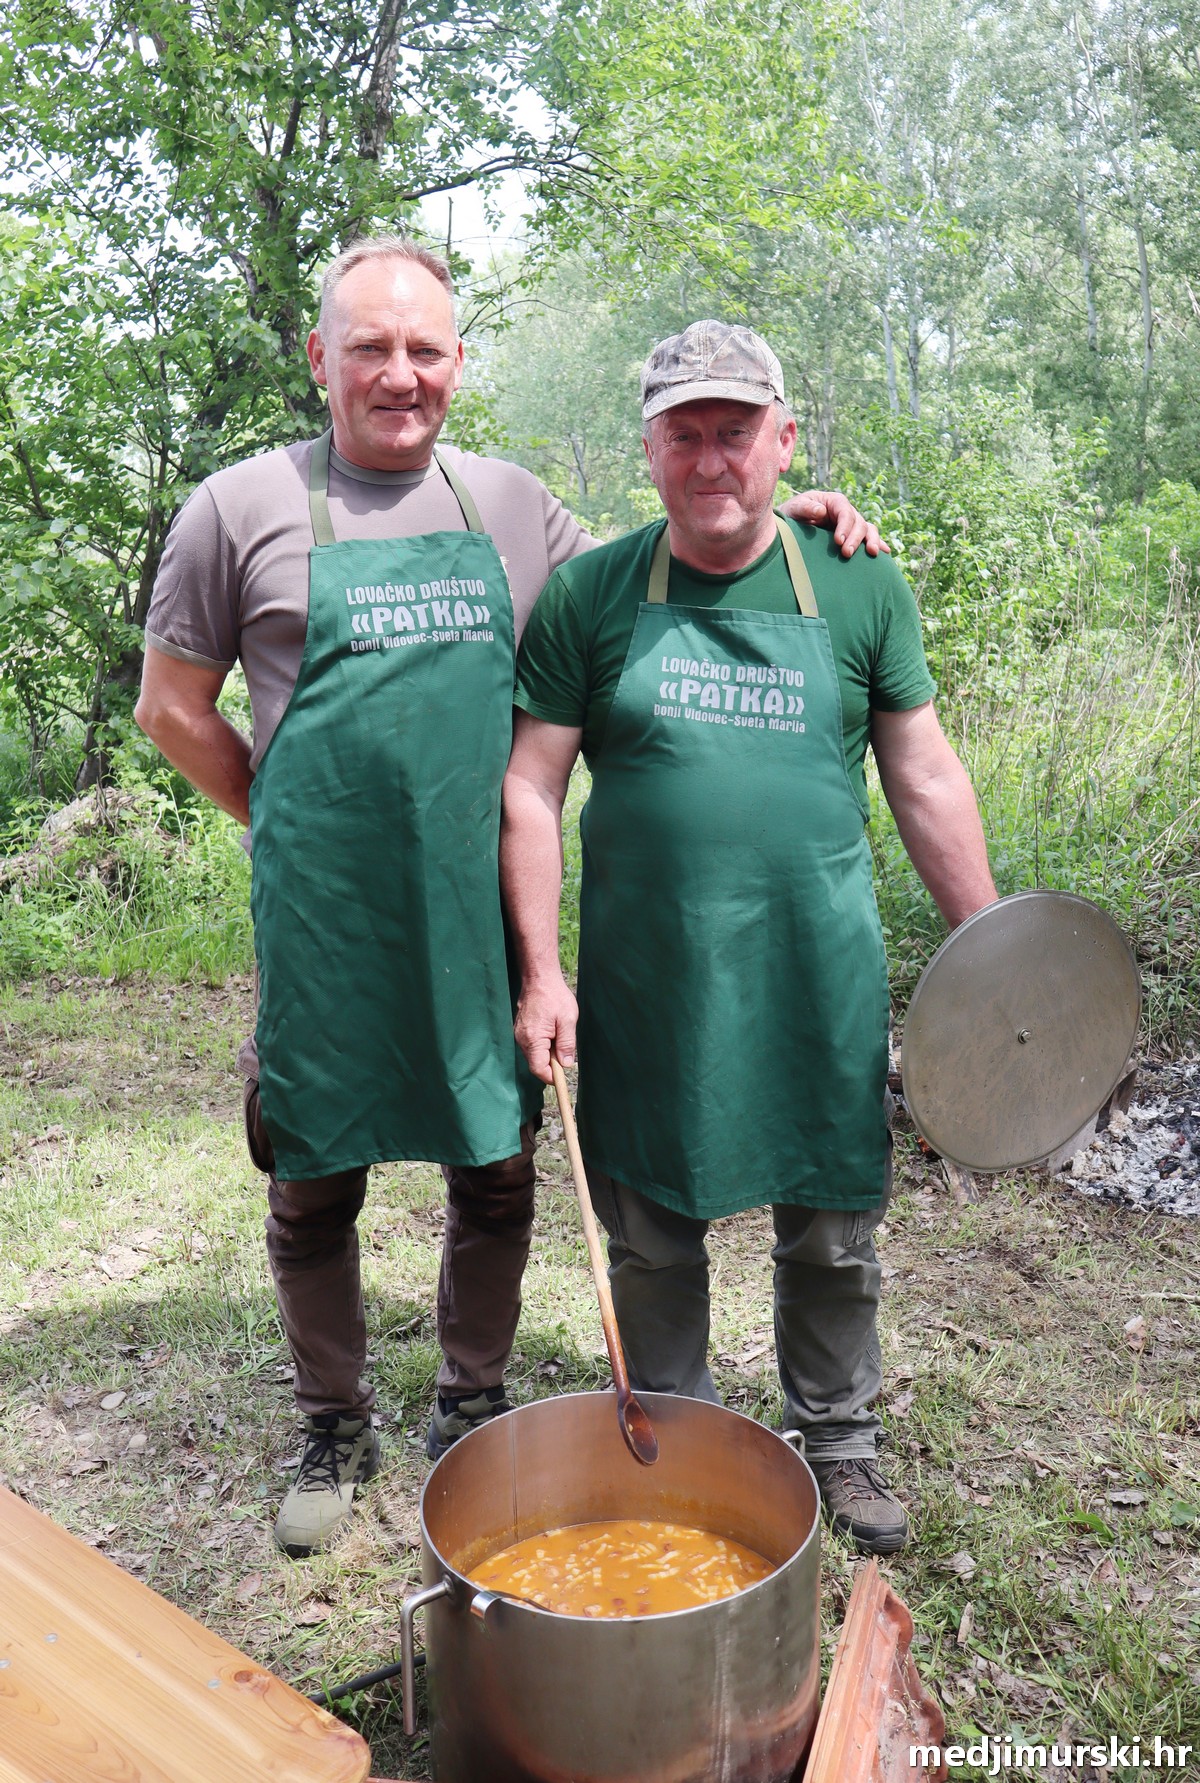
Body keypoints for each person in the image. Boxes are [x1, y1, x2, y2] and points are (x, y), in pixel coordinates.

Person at [134, 242, 885, 1557]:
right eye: (371, 348)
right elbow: (168, 707)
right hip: (325, 917)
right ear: (320, 359)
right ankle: (334, 1419)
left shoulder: (513, 506)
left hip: (478, 910)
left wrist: (791, 517)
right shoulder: (237, 507)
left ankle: (471, 1394)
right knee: (312, 1169)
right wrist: (288, 818)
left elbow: (669, 573)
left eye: (425, 349)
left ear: (458, 362)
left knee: (494, 1167)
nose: (400, 374)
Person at [501, 319, 998, 1556]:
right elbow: (530, 787)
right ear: (649, 449)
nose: (710, 457)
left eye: (736, 430)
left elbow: (924, 773)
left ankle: (837, 1437)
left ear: (785, 441)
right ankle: (678, 1436)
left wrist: (993, 948)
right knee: (651, 1230)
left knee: (831, 1224)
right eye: (684, 434)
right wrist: (543, 971)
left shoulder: (858, 582)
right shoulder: (592, 594)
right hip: (650, 976)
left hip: (813, 971)